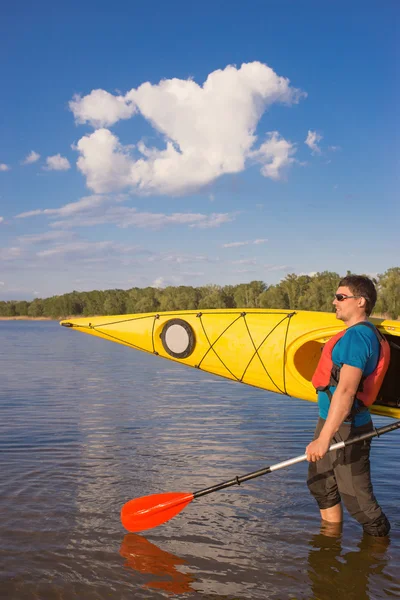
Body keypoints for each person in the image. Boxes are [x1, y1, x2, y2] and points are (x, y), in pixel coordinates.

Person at [306, 275, 391, 537]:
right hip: (331, 421)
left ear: (361, 302)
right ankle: (330, 540)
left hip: (347, 427)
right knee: (321, 483)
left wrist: (324, 438)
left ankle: (381, 552)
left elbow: (345, 391)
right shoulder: (354, 334)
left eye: (341, 297)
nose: (334, 301)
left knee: (359, 504)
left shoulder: (357, 338)